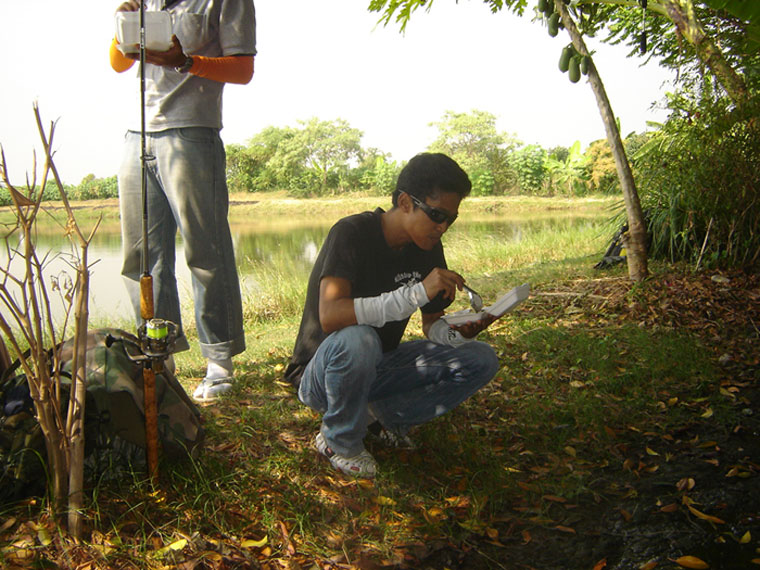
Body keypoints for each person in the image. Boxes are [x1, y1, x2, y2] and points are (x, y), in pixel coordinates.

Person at [284, 153, 501, 478]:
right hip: (322, 375)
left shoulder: (427, 246)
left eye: (450, 220)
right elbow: (330, 316)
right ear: (404, 202)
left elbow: (431, 325)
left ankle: (379, 418)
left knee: (480, 358)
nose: (442, 227)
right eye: (437, 215)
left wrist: (457, 332)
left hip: (378, 365)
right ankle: (338, 440)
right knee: (360, 338)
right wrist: (415, 293)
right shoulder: (351, 233)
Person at [109, 0, 256, 401]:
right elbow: (118, 64)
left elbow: (243, 69)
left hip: (191, 133)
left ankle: (219, 363)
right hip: (138, 135)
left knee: (206, 252)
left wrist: (185, 61)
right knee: (142, 257)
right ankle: (161, 359)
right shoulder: (146, 2)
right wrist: (123, 24)